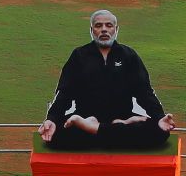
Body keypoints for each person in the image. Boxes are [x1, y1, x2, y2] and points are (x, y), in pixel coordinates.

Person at [38, 10, 174, 150]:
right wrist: (52, 119)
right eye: (98, 26)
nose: (104, 29)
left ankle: (96, 128)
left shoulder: (128, 55)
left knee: (160, 132)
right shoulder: (79, 56)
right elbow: (64, 93)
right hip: (85, 116)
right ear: (92, 30)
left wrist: (159, 117)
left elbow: (144, 92)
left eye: (109, 25)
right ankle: (119, 126)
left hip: (121, 115)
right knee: (54, 134)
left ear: (116, 29)